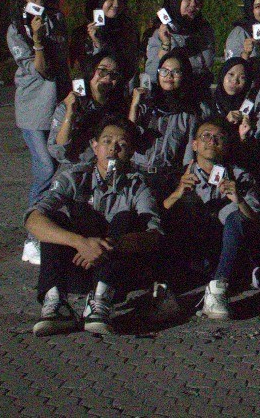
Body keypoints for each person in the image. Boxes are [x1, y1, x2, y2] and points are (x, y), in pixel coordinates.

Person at [26, 116, 162, 336]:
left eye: (122, 144)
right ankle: (56, 303)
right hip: (78, 262)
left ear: (130, 151)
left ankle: (100, 301)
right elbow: (33, 219)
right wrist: (80, 243)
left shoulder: (138, 185)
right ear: (94, 145)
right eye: (107, 141)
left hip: (116, 271)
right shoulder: (75, 177)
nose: (113, 149)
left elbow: (154, 235)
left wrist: (108, 245)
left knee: (125, 218)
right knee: (55, 220)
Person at [159, 119, 260, 319]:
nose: (212, 141)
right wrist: (177, 193)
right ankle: (164, 291)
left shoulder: (239, 176)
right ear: (195, 145)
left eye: (219, 137)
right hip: (192, 251)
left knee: (236, 215)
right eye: (206, 136)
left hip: (227, 249)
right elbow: (158, 218)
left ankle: (218, 288)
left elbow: (255, 219)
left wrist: (239, 199)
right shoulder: (178, 175)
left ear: (226, 146)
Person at [8, 0, 70, 265]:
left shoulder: (56, 18)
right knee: (45, 167)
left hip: (59, 105)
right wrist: (36, 38)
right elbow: (41, 70)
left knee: (59, 168)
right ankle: (33, 238)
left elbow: (64, 62)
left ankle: (53, 230)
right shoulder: (16, 28)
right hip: (33, 109)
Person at [129, 49, 203, 173]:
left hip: (166, 176)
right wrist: (134, 105)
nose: (169, 76)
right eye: (164, 71)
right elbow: (128, 135)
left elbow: (188, 154)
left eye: (176, 72)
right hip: (136, 173)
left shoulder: (188, 113)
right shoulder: (146, 103)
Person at [49, 51, 128, 165]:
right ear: (91, 71)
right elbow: (58, 151)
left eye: (114, 74)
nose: (108, 77)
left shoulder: (119, 106)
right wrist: (70, 114)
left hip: (107, 166)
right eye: (102, 70)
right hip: (76, 167)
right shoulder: (70, 105)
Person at [145, 0, 215, 97]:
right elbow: (152, 74)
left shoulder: (204, 30)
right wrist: (166, 44)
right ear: (176, 0)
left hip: (199, 97)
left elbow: (207, 66)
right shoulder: (161, 33)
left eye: (197, 0)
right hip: (170, 100)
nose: (193, 4)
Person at [69, 0, 138, 73]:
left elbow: (128, 65)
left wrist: (101, 45)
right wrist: (95, 42)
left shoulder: (127, 30)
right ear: (101, 0)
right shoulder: (81, 34)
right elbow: (77, 68)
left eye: (120, 0)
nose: (116, 4)